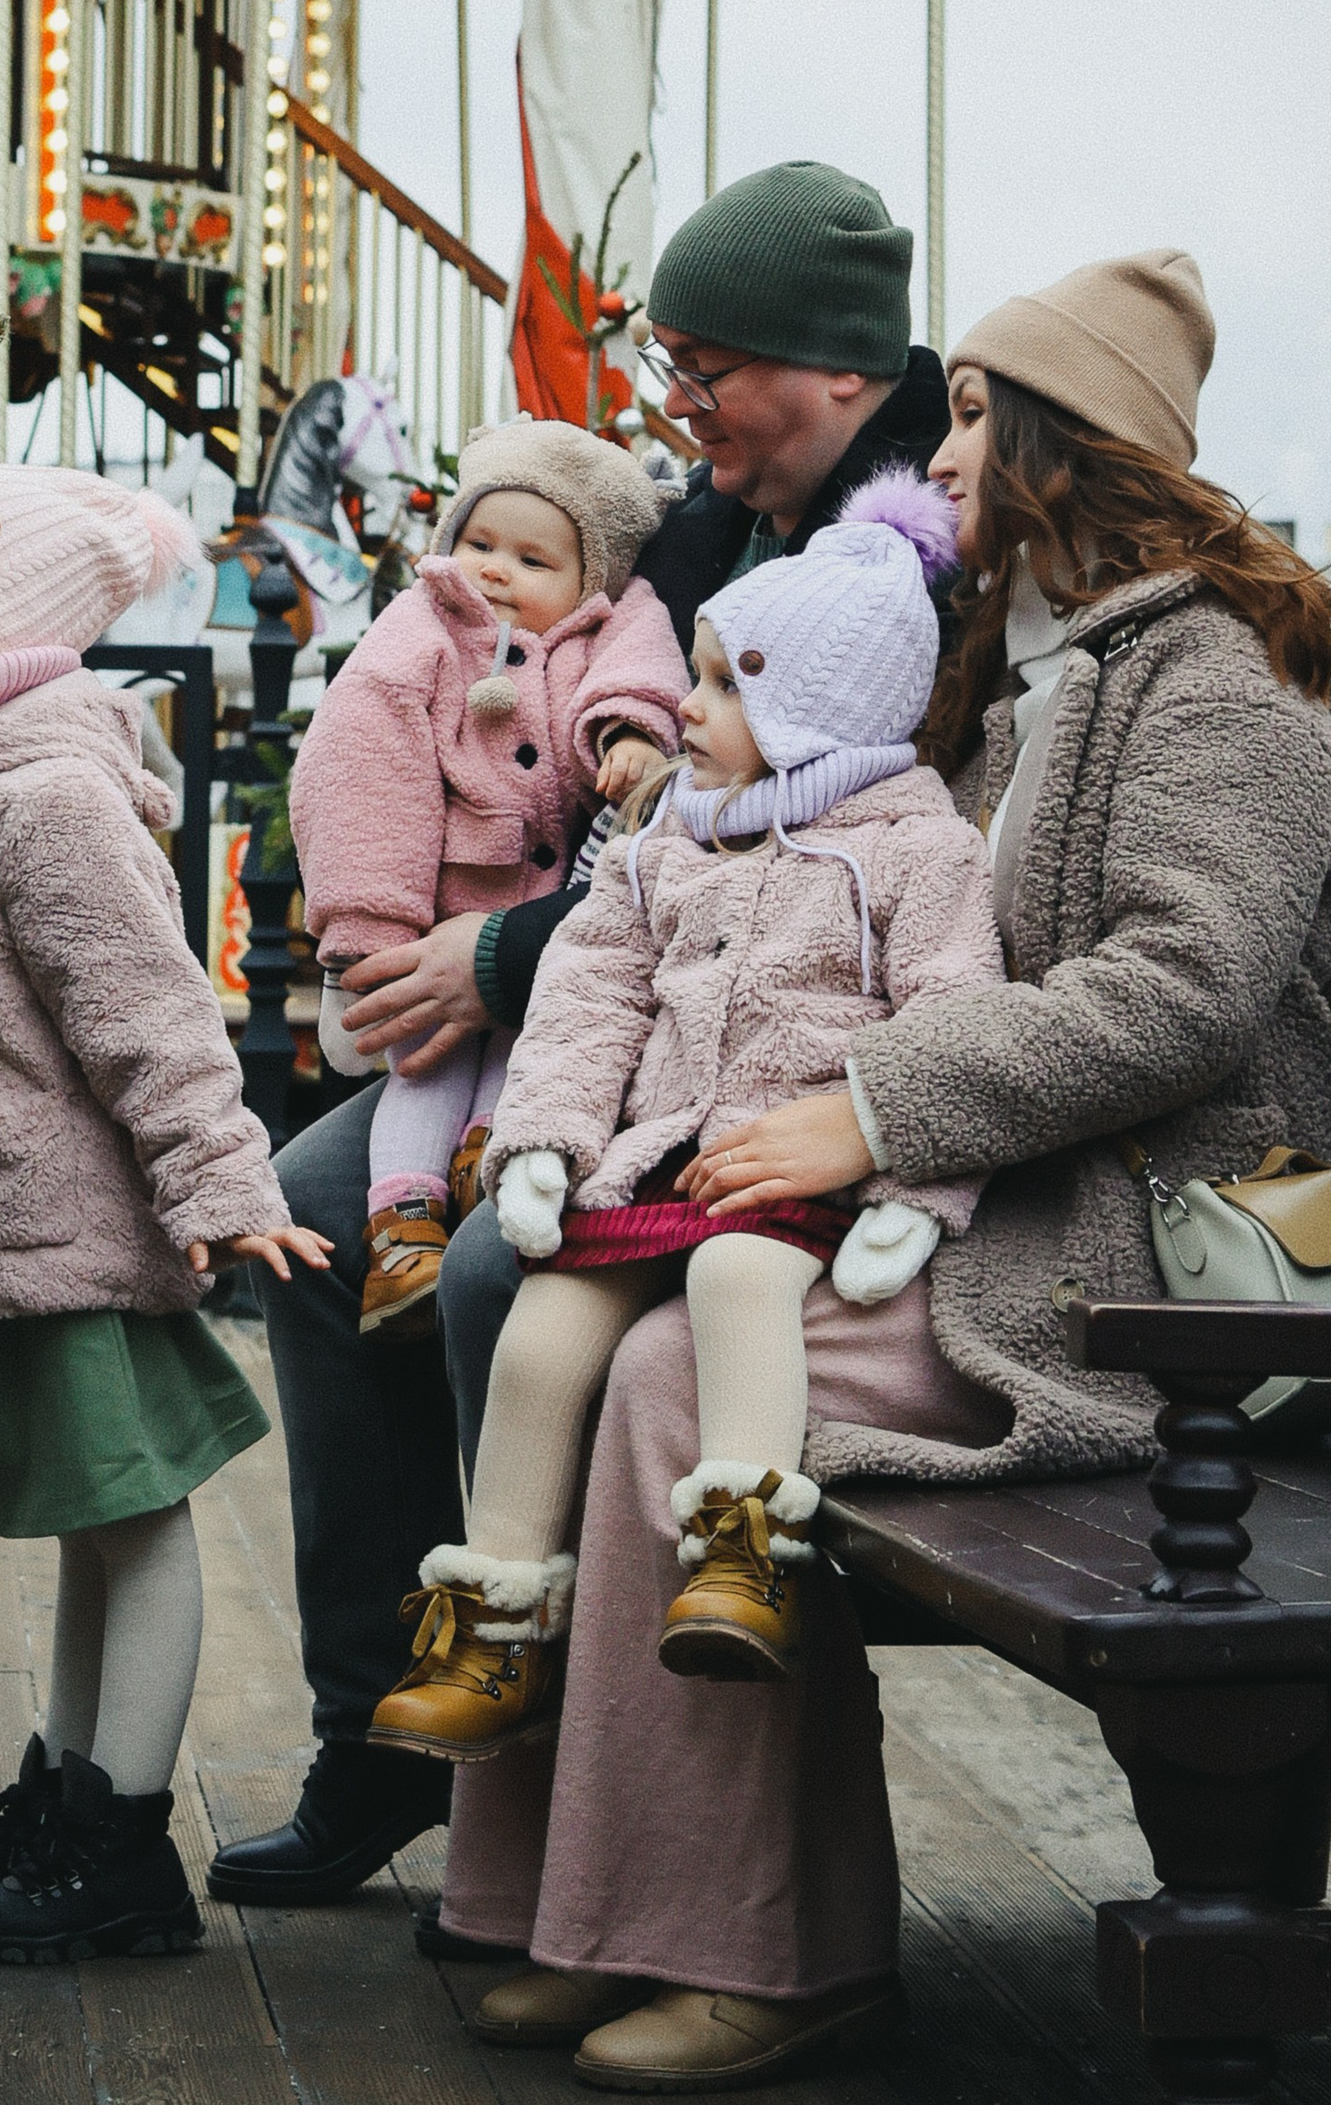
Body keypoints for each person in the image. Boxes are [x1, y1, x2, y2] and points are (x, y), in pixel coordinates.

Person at [444, 251, 1331, 2092]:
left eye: (970, 421)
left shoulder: (1214, 694)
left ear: (1061, 446)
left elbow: (1183, 991)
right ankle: (586, 1910)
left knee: (679, 1375)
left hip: (1140, 1259)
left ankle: (761, 1950)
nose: (938, 462)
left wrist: (874, 1109)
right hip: (1016, 1203)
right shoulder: (1037, 682)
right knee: (617, 1336)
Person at [213, 160, 948, 1910]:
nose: (677, 405)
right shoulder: (701, 533)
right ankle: (379, 1726)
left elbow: (840, 848)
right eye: (667, 366)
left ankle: (526, 1779)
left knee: (492, 1265)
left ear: (837, 367)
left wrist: (498, 957)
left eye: (708, 370)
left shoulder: (909, 556)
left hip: (772, 1044)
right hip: (612, 992)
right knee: (314, 1213)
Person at [369, 472, 998, 1757]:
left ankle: (746, 1551)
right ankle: (496, 1619)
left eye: (723, 687)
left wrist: (914, 1193)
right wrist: (545, 1140)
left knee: (737, 1281)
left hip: (796, 1169)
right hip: (659, 1157)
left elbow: (953, 1022)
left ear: (814, 708)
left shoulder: (916, 850)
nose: (688, 710)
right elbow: (589, 994)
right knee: (544, 1331)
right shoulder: (673, 839)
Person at [0, 462, 333, 1965]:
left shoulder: (41, 794)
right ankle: (63, 1798)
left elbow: (147, 1010)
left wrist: (220, 1179)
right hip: (6, 1225)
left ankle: (121, 1850)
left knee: (135, 1526)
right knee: (90, 1529)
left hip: (68, 1230)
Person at [292, 422, 687, 1337]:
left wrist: (631, 733)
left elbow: (644, 668)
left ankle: (481, 1168)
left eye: (532, 560)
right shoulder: (424, 627)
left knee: (526, 1054)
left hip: (553, 917)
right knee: (425, 1064)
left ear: (590, 578)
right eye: (479, 543)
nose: (497, 571)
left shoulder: (613, 620)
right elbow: (361, 765)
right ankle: (401, 1227)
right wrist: (370, 926)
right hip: (444, 909)